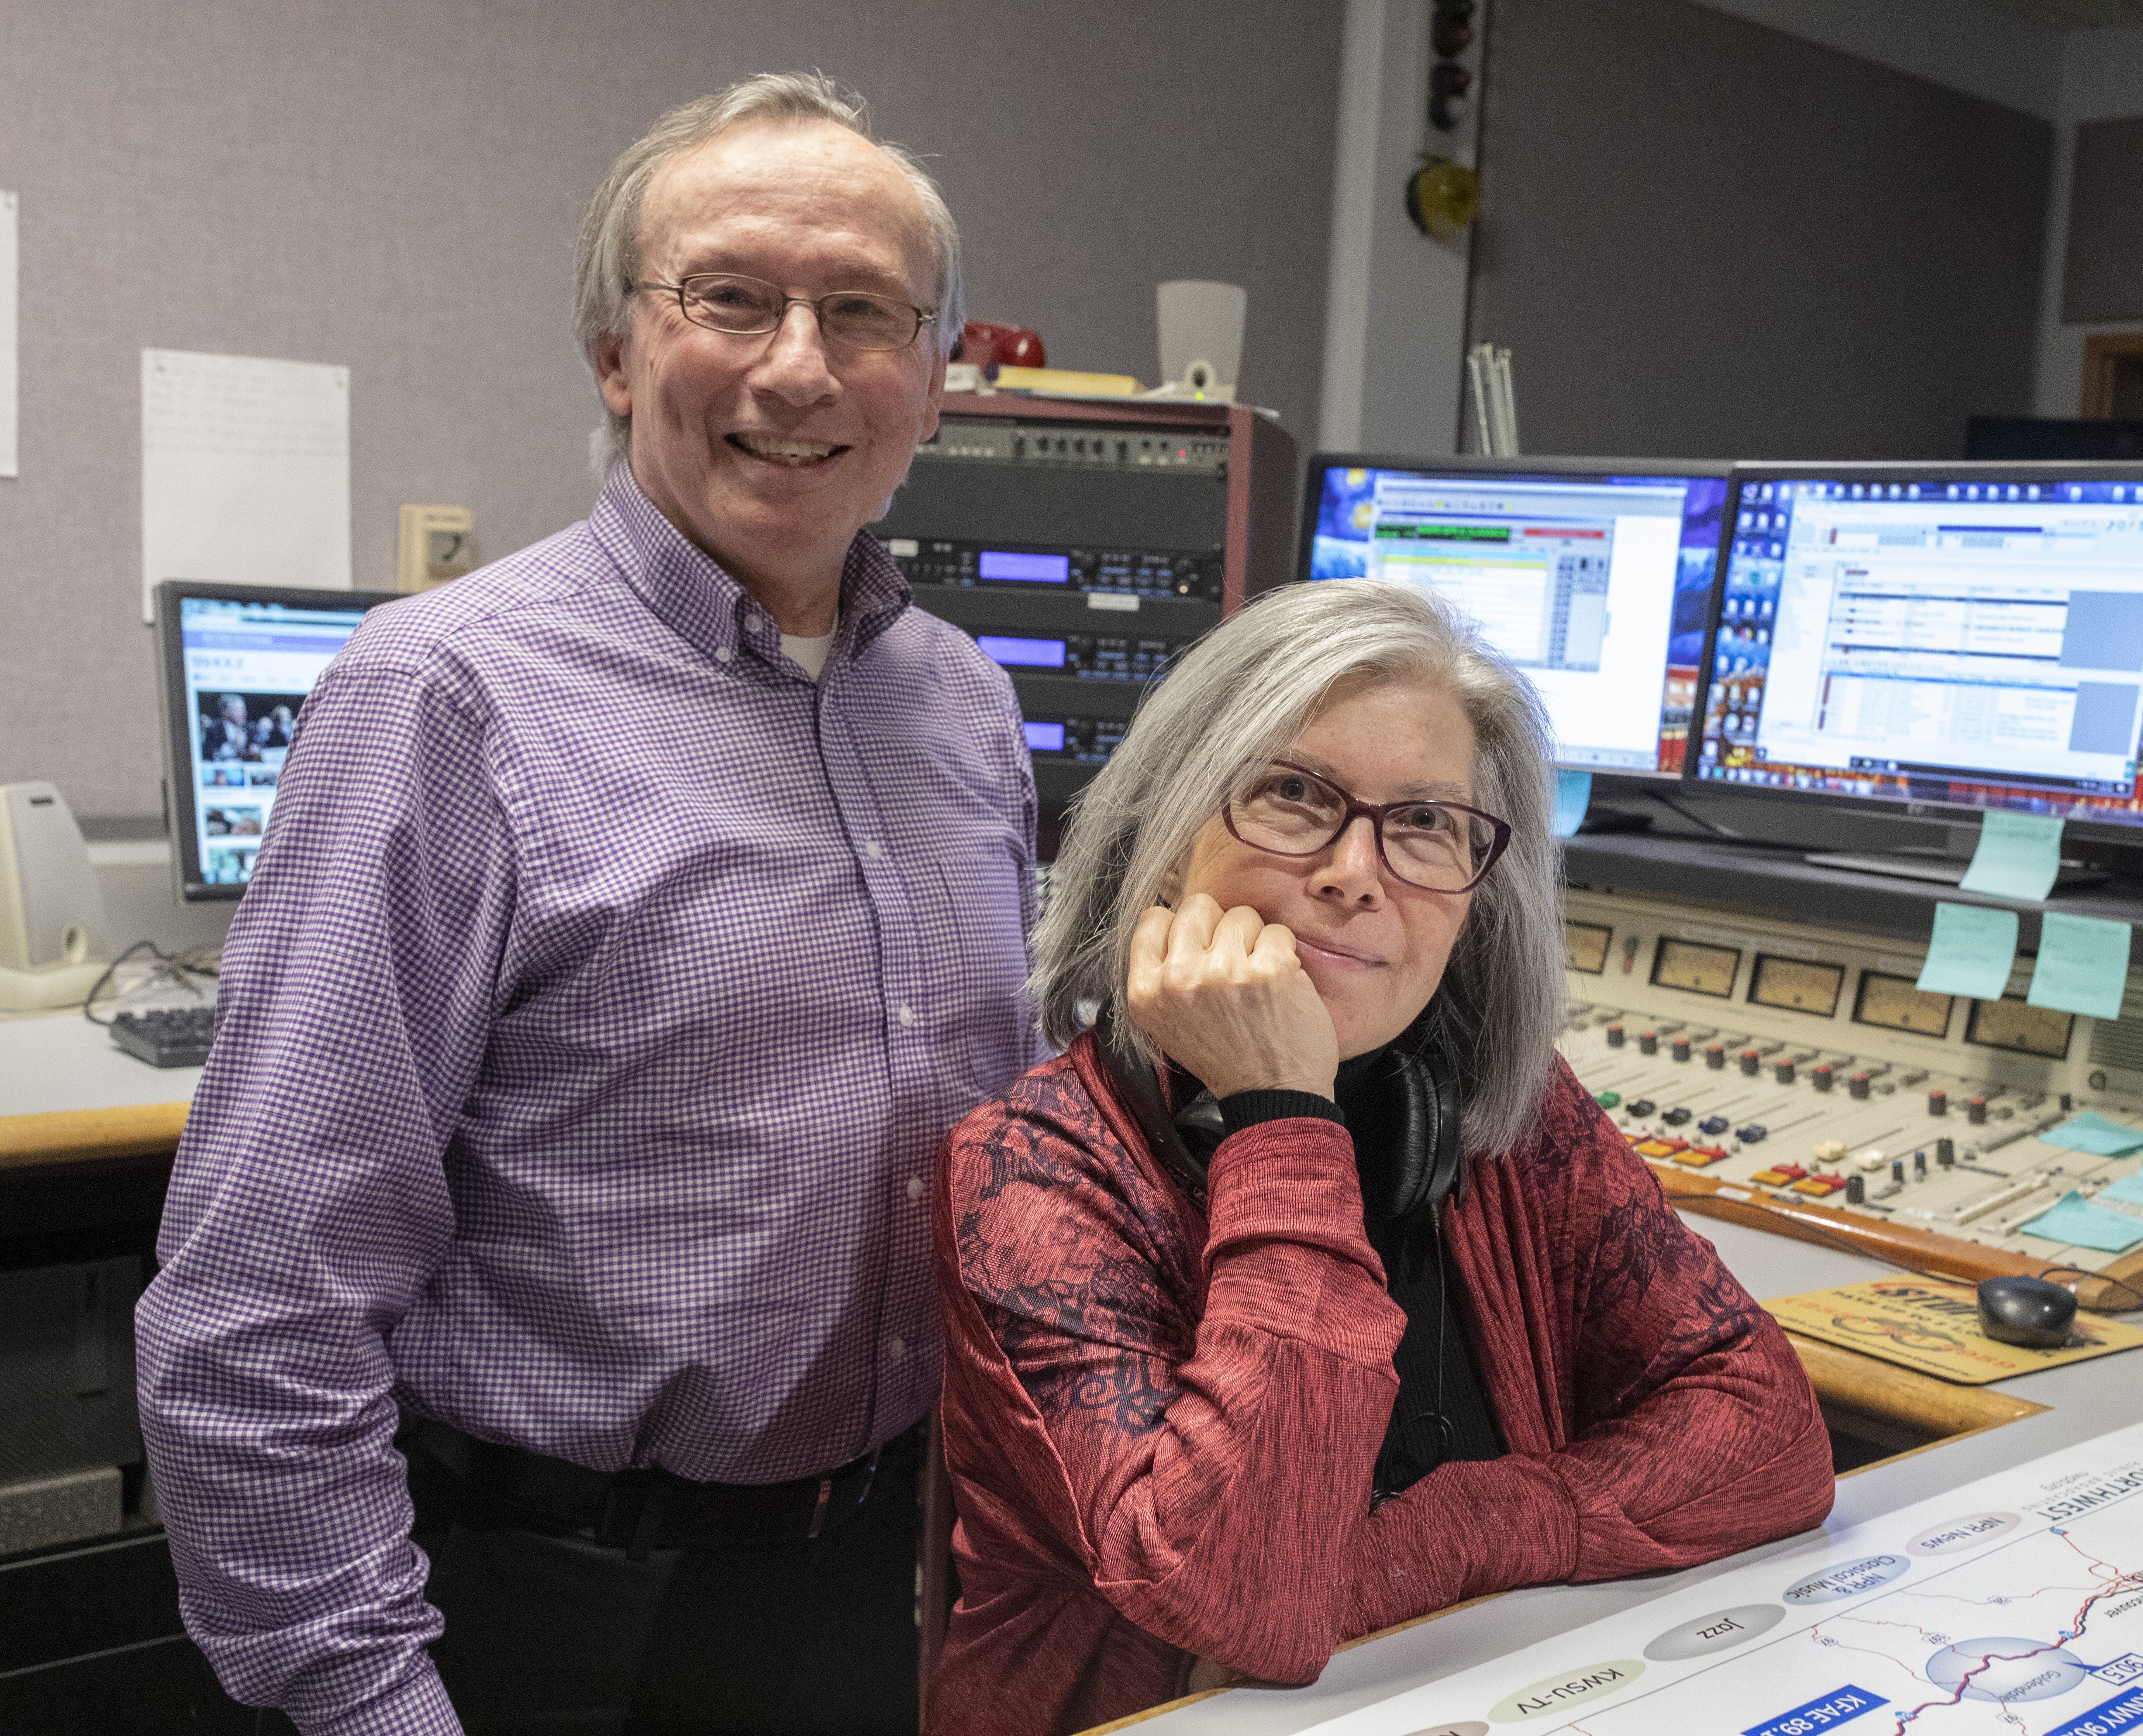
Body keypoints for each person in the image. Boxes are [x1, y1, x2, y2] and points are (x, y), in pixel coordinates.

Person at [136, 72, 1036, 1736]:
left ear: (931, 382)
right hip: (556, 1612)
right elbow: (260, 1298)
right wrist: (365, 1705)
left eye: (863, 312)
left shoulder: (965, 709)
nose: (797, 365)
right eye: (733, 298)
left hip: (875, 1581)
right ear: (620, 356)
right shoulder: (446, 700)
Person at [931, 580, 1835, 1735]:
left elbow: (1770, 1430)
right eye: (1295, 795)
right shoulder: (1031, 1175)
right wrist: (1283, 1118)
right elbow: (1245, 1598)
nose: (1358, 871)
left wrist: (1463, 1527)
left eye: (1423, 824)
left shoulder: (1511, 1117)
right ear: (1166, 845)